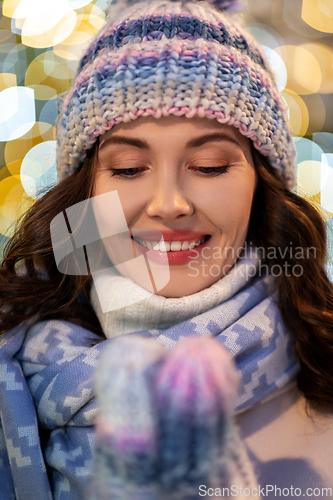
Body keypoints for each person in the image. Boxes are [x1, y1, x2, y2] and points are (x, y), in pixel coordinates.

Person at [0, 0, 333, 498]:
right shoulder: (13, 368)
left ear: (262, 188)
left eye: (211, 165)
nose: (169, 204)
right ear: (84, 193)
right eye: (130, 168)